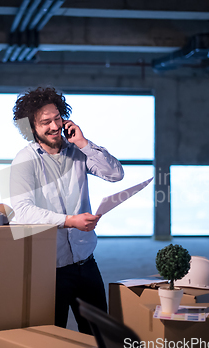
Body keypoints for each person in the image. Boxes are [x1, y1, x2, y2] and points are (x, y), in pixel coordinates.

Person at [9, 86, 124, 334]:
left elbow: (116, 174)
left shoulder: (79, 152)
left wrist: (83, 142)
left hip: (86, 264)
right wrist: (69, 221)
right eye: (44, 122)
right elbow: (23, 211)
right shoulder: (24, 160)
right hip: (50, 270)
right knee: (52, 340)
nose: (53, 126)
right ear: (31, 128)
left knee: (99, 337)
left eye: (57, 118)